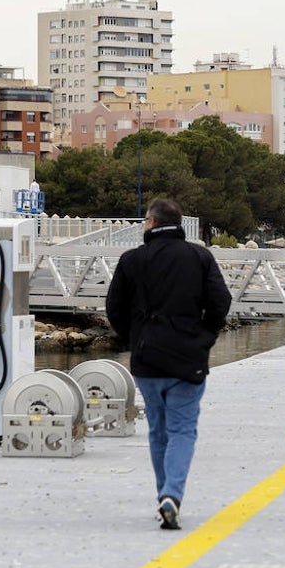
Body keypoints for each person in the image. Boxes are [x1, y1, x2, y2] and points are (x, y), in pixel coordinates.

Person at [106, 198, 231, 530]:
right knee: (182, 431)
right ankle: (171, 496)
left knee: (158, 432)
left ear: (150, 223)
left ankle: (164, 493)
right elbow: (221, 301)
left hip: (147, 360)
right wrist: (205, 338)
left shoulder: (132, 260)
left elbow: (114, 308)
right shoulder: (200, 257)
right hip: (188, 359)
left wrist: (134, 340)